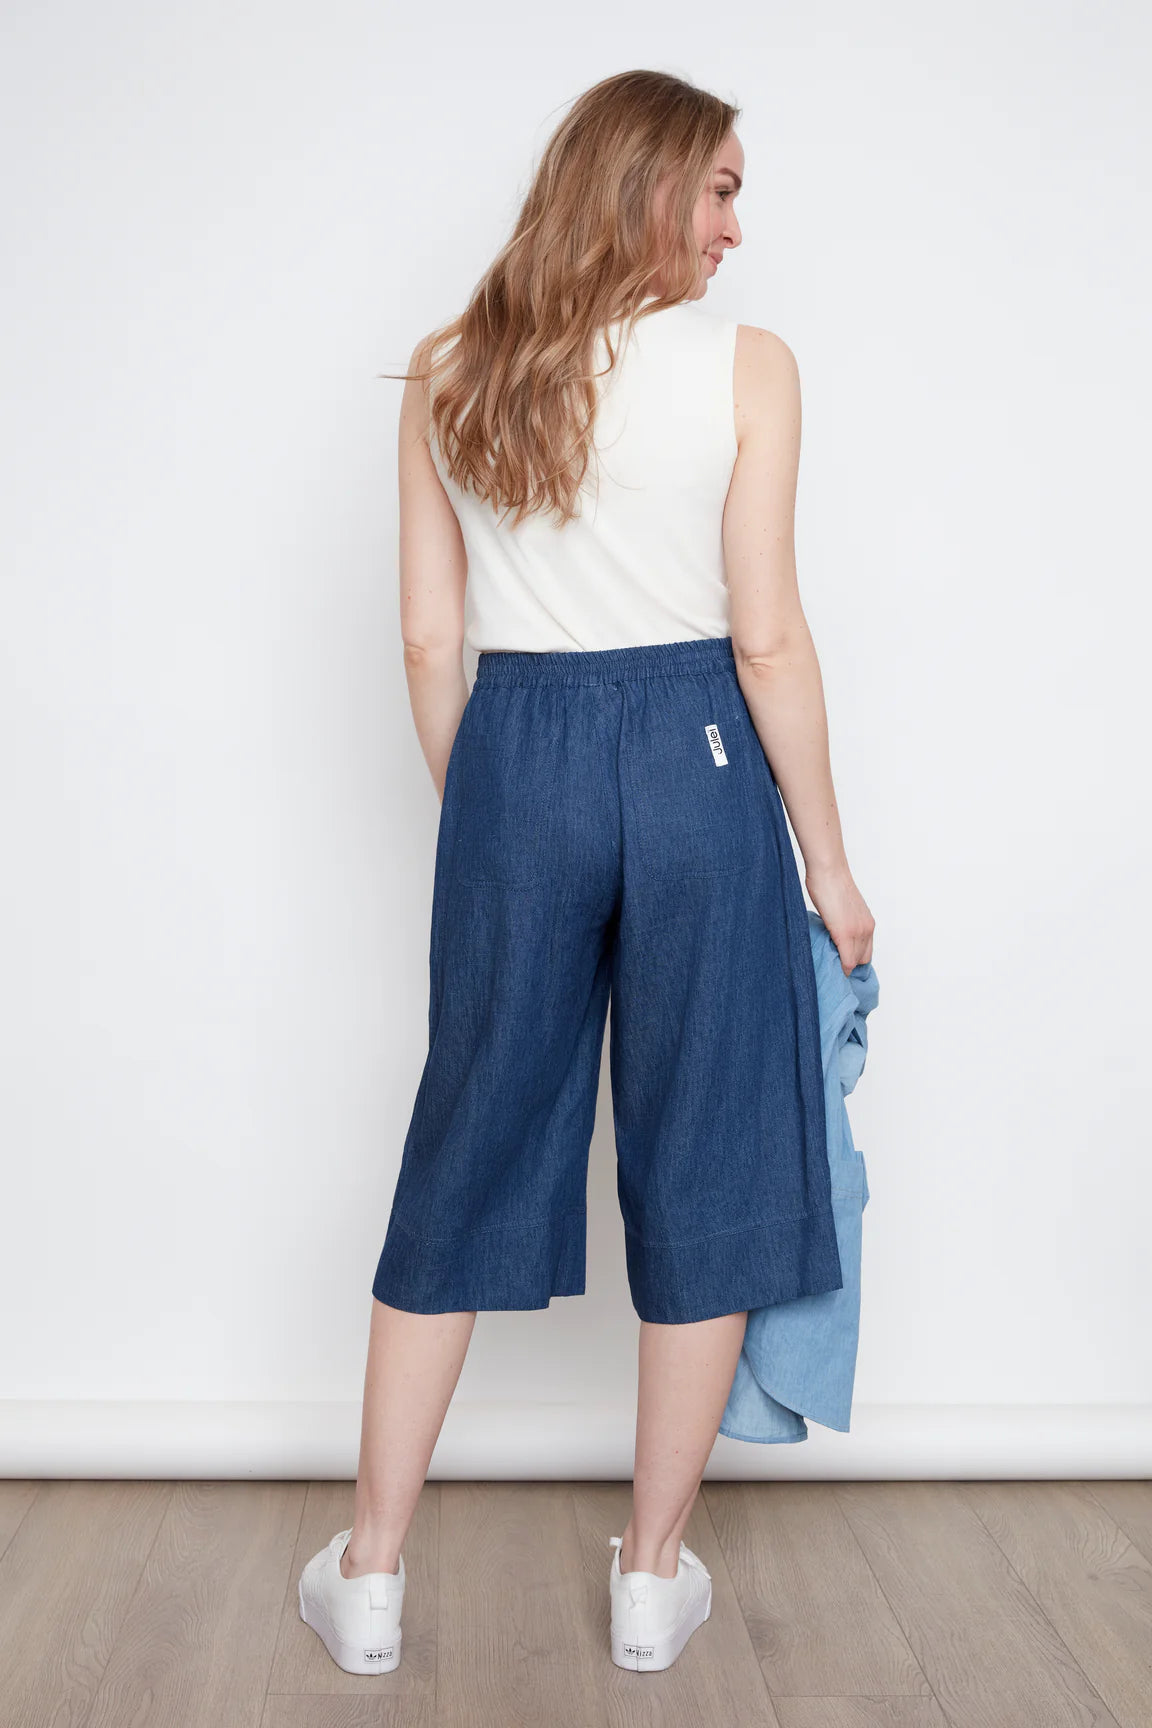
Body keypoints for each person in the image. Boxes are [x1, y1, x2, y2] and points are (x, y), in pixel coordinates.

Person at [298, 67, 875, 1678]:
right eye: (720, 192)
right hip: (696, 756)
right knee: (707, 1150)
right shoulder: (751, 370)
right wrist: (827, 863)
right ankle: (651, 1579)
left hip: (516, 756)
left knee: (466, 1143)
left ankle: (372, 1576)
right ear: (644, 188)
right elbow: (764, 632)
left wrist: (494, 808)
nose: (738, 231)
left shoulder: (448, 367)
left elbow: (429, 636)